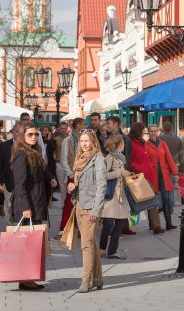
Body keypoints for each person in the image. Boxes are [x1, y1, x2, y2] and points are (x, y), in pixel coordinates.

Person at [10, 122, 57, 290]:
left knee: (33, 244)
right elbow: (20, 184)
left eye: (35, 134)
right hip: (28, 205)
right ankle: (25, 279)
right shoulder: (21, 154)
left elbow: (43, 169)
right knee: (27, 244)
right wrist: (25, 208)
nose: (34, 137)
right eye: (30, 134)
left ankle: (28, 277)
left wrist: (50, 177)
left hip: (37, 202)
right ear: (22, 136)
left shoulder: (34, 152)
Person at [67, 130, 106, 293]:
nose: (84, 144)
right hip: (79, 205)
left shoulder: (98, 158)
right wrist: (71, 188)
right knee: (91, 243)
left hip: (91, 207)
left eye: (87, 141)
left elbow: (101, 185)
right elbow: (78, 183)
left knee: (86, 245)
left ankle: (86, 280)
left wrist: (96, 210)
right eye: (82, 141)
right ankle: (97, 278)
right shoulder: (79, 159)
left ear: (93, 142)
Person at [128, 122, 165, 234]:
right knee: (132, 202)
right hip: (138, 176)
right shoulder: (131, 143)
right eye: (142, 130)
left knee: (152, 201)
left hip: (148, 175)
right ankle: (124, 226)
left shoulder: (142, 142)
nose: (144, 133)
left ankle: (156, 226)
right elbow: (130, 161)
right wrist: (138, 169)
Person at [99, 135, 131, 259]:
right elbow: (103, 175)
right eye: (123, 143)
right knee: (108, 223)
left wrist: (127, 175)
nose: (124, 145)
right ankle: (102, 249)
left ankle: (112, 250)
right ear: (119, 144)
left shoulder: (120, 158)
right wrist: (120, 173)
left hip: (120, 195)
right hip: (111, 195)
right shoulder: (109, 157)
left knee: (120, 222)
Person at [57, 118, 86, 239]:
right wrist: (71, 175)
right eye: (84, 124)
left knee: (83, 203)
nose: (85, 125)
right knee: (69, 202)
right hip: (73, 176)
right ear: (78, 125)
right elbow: (63, 160)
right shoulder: (68, 141)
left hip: (84, 176)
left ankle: (79, 228)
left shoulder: (85, 140)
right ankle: (63, 228)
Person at [145, 124, 179, 230]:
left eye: (155, 131)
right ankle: (153, 224)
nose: (153, 133)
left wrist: (175, 173)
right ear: (148, 132)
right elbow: (145, 161)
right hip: (152, 176)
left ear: (158, 132)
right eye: (151, 131)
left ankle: (168, 223)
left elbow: (169, 159)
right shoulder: (146, 145)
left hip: (164, 175)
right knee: (152, 199)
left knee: (166, 198)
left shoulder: (163, 144)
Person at [0, 122, 21, 222]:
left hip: (25, 183)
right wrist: (3, 180)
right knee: (10, 207)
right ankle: (13, 229)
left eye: (21, 132)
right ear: (12, 132)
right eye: (16, 131)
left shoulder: (30, 145)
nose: (18, 134)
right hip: (9, 182)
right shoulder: (4, 146)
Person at [41, 126, 58, 201]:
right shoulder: (37, 141)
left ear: (49, 132)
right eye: (42, 130)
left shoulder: (52, 141)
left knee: (48, 187)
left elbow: (52, 149)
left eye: (45, 130)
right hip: (41, 167)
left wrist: (48, 139)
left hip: (49, 167)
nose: (44, 132)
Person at [55, 121, 70, 197]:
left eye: (65, 128)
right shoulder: (56, 139)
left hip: (69, 164)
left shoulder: (71, 139)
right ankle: (63, 204)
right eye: (62, 128)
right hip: (59, 163)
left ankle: (68, 203)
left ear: (67, 129)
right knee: (61, 185)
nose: (63, 130)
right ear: (59, 129)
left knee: (68, 183)